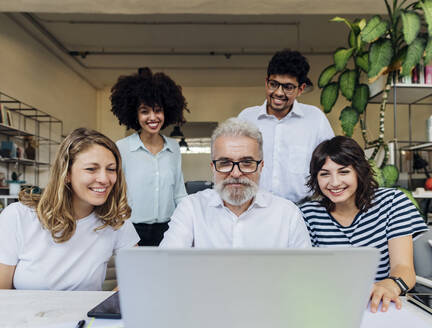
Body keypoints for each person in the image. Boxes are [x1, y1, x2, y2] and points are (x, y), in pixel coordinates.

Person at [0, 128, 139, 290]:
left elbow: (138, 274)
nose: (104, 179)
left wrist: (108, 305)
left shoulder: (115, 220)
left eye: (111, 169)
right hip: (25, 314)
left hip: (85, 315)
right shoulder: (18, 216)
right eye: (91, 169)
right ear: (66, 173)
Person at [300, 136, 427, 313]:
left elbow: (404, 268)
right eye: (324, 174)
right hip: (330, 308)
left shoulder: (393, 202)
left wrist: (389, 286)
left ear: (359, 171)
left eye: (344, 172)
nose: (334, 182)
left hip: (381, 307)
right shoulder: (307, 214)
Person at [161, 118, 311, 248]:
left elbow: (304, 273)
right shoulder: (191, 208)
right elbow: (167, 264)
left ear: (261, 166)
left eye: (247, 162)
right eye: (225, 162)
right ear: (213, 167)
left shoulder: (287, 214)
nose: (236, 173)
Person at [238, 49, 334, 203]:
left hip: (302, 210)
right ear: (266, 82)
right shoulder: (246, 118)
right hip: (253, 208)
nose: (278, 93)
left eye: (288, 87)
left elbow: (331, 163)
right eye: (273, 84)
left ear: (300, 89)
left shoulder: (315, 119)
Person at [111, 67, 188, 246]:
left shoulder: (174, 148)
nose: (152, 117)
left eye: (157, 110)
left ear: (166, 112)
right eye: (145, 111)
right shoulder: (121, 148)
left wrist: (185, 228)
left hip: (168, 230)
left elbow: (179, 194)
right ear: (135, 114)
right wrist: (125, 234)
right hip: (131, 229)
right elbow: (114, 196)